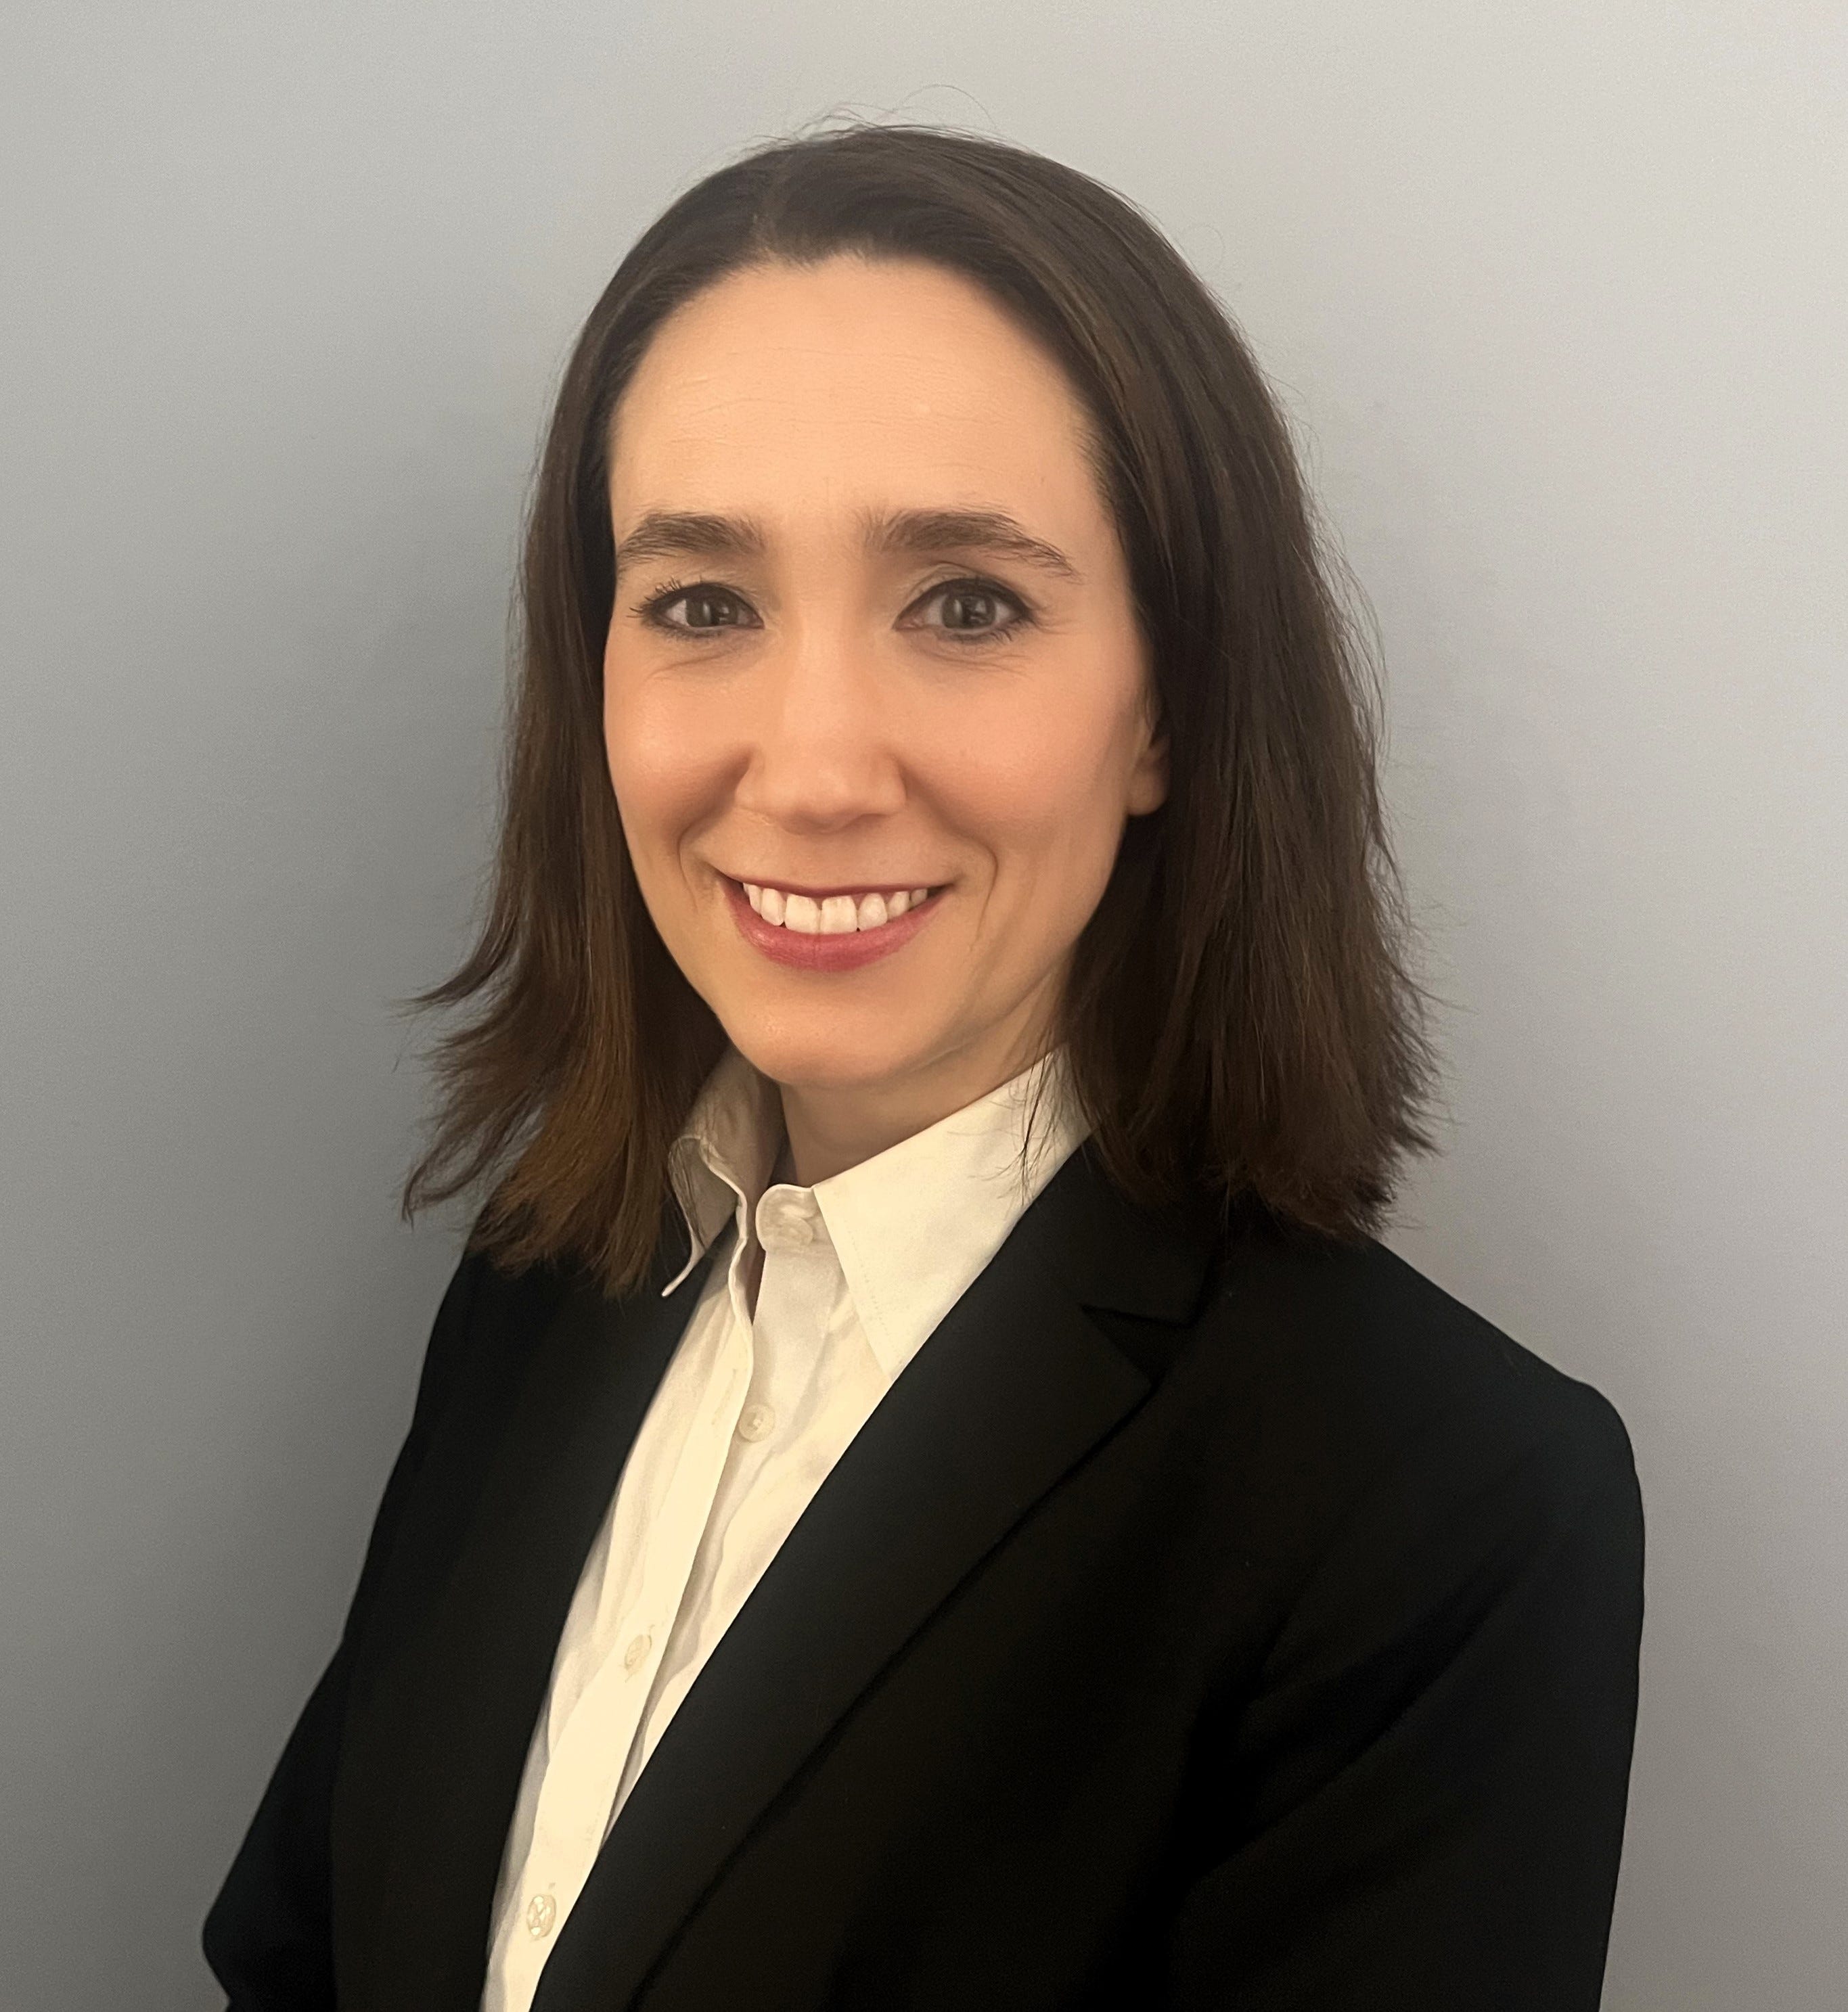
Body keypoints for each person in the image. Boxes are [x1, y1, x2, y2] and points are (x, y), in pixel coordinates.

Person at [201, 120, 1644, 2012]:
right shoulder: (545, 1281)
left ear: (1168, 706)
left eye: (967, 604)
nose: (811, 770)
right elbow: (304, 1957)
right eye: (703, 604)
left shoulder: (1439, 1512)